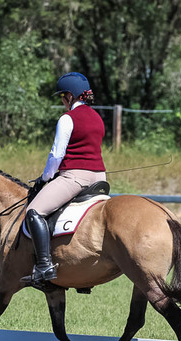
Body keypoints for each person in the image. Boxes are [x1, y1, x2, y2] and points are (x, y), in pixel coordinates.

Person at [22, 72, 107, 285]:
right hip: (100, 178)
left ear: (70, 96)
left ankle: (44, 266)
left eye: (62, 97)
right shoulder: (97, 117)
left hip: (75, 177)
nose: (62, 102)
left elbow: (56, 154)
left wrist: (45, 178)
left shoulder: (67, 119)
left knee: (34, 211)